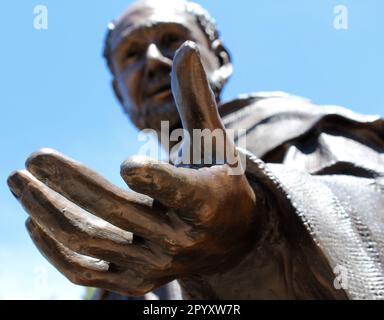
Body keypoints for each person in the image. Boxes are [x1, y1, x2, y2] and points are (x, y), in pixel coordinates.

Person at [7, 0, 384, 299]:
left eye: (171, 40)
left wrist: (258, 226)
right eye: (132, 55)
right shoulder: (122, 249)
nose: (153, 60)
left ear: (220, 59)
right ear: (119, 94)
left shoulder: (300, 129)